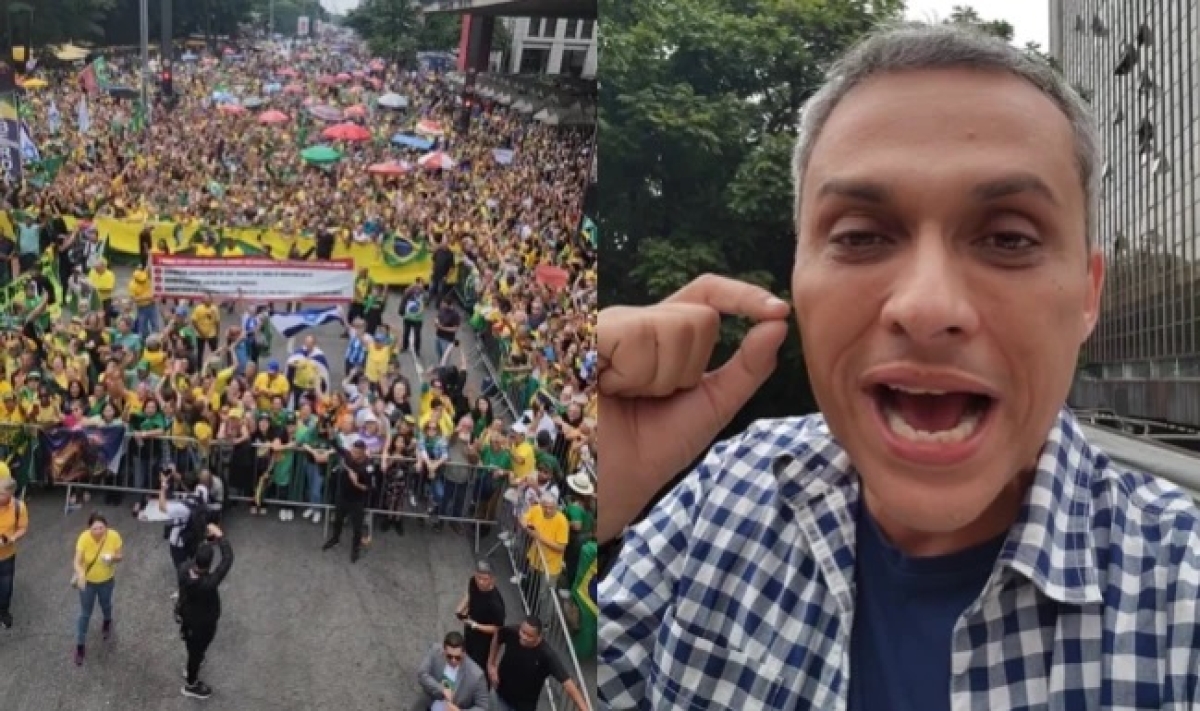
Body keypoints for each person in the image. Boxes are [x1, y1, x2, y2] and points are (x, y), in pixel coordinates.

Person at [597, 23, 1200, 711]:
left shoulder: (1178, 596)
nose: (926, 306)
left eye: (1009, 238)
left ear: (1089, 295)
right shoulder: (724, 495)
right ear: (796, 275)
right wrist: (600, 478)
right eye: (860, 237)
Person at [179, 522, 234, 700]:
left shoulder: (184, 569)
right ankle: (191, 683)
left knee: (192, 647)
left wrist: (207, 542)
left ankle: (193, 664)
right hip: (203, 624)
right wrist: (221, 537)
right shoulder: (208, 583)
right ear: (209, 564)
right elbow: (227, 559)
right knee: (197, 651)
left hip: (188, 617)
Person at [487, 616, 588, 711]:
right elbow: (498, 636)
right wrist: (491, 664)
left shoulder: (546, 656)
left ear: (539, 637)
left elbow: (567, 683)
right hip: (499, 694)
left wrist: (584, 709)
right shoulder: (511, 632)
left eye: (529, 636)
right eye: (523, 632)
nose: (524, 637)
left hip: (523, 706)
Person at [72, 511, 123, 665]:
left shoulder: (113, 536)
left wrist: (112, 558)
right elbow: (77, 560)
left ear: (106, 527)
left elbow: (120, 556)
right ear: (89, 528)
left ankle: (107, 620)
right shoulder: (84, 538)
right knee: (84, 614)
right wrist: (81, 573)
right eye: (95, 528)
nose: (98, 531)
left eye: (101, 528)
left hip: (107, 580)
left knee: (106, 604)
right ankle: (80, 646)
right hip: (88, 582)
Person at [409, 631, 490, 711]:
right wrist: (441, 689)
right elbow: (422, 674)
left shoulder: (476, 675)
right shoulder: (435, 652)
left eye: (457, 657)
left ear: (464, 653)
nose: (453, 661)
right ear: (444, 651)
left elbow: (483, 707)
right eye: (449, 656)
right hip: (428, 706)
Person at [321, 437, 373, 563]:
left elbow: (369, 488)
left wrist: (356, 483)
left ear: (363, 452)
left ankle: (355, 548)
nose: (354, 454)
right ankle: (335, 539)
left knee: (357, 527)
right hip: (342, 496)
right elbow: (336, 446)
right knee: (338, 520)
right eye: (353, 451)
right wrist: (331, 435)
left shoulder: (368, 467)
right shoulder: (348, 455)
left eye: (357, 452)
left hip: (357, 500)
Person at [455, 560, 506, 675]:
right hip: (470, 629)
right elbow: (470, 594)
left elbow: (497, 628)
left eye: (485, 579)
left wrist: (476, 625)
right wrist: (461, 608)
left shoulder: (496, 604)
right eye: (479, 577)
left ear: (493, 579)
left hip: (484, 641)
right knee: (465, 654)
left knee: (477, 667)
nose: (481, 582)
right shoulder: (473, 582)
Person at [0, 476, 27, 628]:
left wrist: (13, 538)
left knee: (6, 587)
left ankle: (3, 612)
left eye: (1, 494)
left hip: (7, 555)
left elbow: (22, 528)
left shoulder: (19, 507)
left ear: (10, 494)